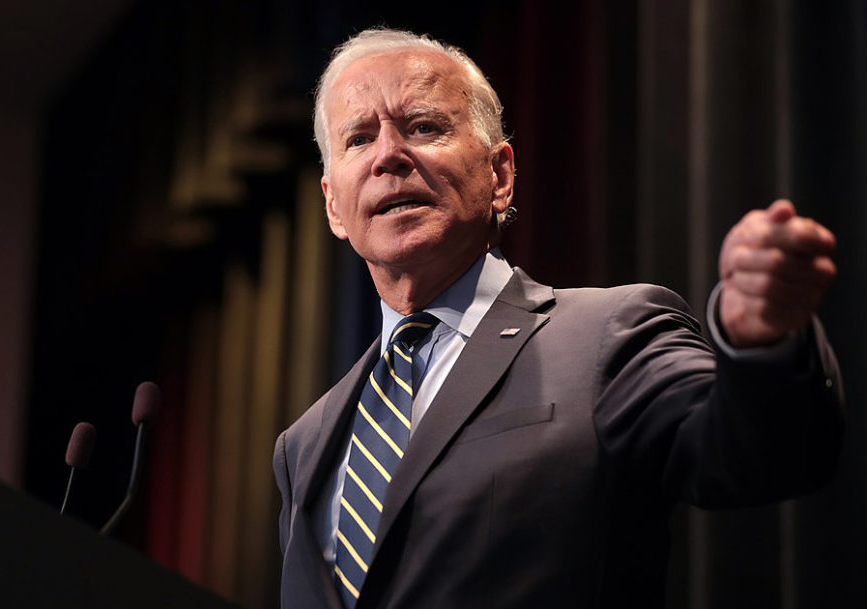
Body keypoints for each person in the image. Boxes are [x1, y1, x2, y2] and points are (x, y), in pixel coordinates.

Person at [273, 28, 843, 609]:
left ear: (499, 175)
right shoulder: (305, 444)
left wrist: (761, 344)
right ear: (333, 205)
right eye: (359, 138)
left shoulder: (607, 336)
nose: (387, 156)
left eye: (423, 127)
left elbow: (760, 455)